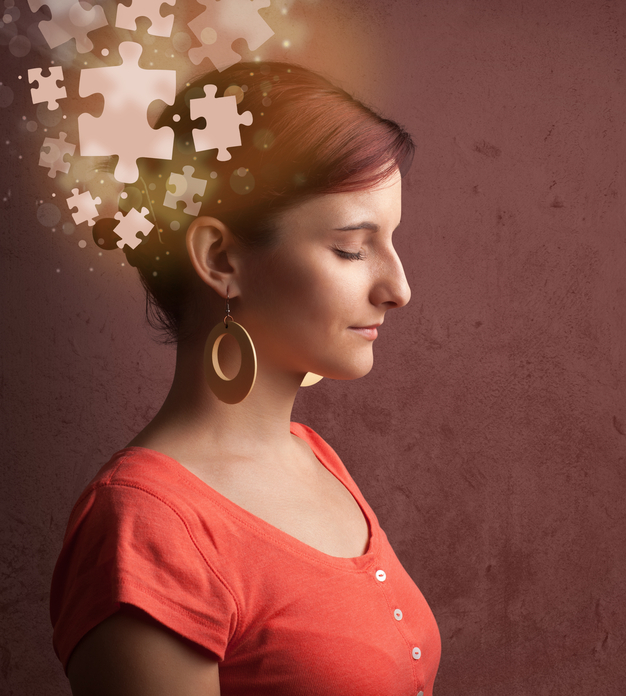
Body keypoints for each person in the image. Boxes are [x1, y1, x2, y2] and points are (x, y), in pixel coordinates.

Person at [49, 62, 441, 695]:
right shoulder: (147, 527)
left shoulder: (314, 458)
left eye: (391, 241)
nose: (398, 288)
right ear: (220, 259)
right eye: (351, 248)